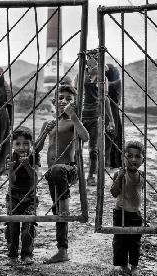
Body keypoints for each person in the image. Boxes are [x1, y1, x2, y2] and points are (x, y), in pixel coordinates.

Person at [35, 82, 89, 264]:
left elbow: (86, 137)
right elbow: (36, 148)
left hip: (69, 169)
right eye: (60, 98)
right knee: (58, 210)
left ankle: (65, 207)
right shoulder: (48, 123)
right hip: (53, 174)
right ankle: (62, 250)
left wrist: (74, 117)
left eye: (68, 99)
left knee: (58, 175)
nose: (63, 101)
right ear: (53, 101)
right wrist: (44, 133)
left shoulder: (72, 122)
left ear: (74, 103)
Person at [5, 127, 39, 265]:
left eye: (26, 143)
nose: (22, 147)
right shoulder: (10, 157)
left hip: (30, 197)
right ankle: (12, 255)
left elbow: (35, 178)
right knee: (12, 227)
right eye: (17, 144)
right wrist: (11, 169)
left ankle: (27, 254)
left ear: (31, 144)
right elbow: (12, 180)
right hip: (13, 196)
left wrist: (26, 166)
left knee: (28, 226)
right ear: (12, 145)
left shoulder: (34, 157)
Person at [110, 140, 145, 276]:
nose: (133, 159)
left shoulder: (142, 175)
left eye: (138, 156)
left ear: (143, 160)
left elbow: (139, 194)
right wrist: (120, 177)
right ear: (123, 158)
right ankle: (123, 265)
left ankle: (134, 266)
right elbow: (114, 193)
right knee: (120, 240)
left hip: (136, 213)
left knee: (135, 241)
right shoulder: (120, 174)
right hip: (121, 213)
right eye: (129, 156)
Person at [75, 66, 115, 186]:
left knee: (93, 150)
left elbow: (105, 100)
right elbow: (75, 94)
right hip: (80, 117)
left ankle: (91, 175)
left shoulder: (103, 79)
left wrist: (111, 120)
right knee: (77, 148)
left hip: (94, 118)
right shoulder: (80, 76)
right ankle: (77, 173)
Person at [106, 63, 123, 169]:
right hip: (113, 108)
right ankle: (114, 162)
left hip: (111, 108)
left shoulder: (113, 83)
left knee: (111, 134)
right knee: (115, 134)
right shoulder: (118, 81)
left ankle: (112, 162)